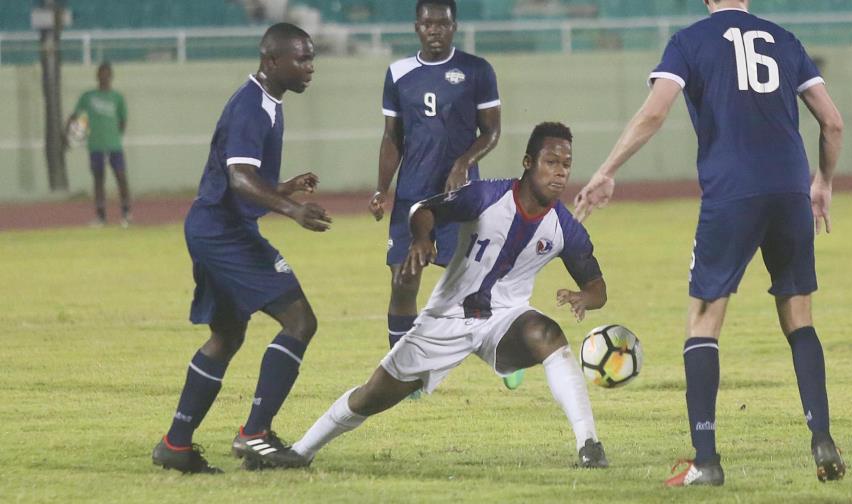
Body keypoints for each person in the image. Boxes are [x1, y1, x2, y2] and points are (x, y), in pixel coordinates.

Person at [573, 0, 845, 487]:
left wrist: (607, 170)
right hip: (789, 189)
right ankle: (821, 435)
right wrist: (822, 181)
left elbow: (655, 113)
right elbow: (833, 122)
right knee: (799, 315)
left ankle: (706, 460)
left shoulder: (689, 41)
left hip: (732, 192)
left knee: (704, 318)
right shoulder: (784, 39)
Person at [254, 122, 611, 469]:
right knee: (373, 395)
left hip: (505, 318)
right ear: (528, 163)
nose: (560, 172)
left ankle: (589, 444)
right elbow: (423, 209)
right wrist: (424, 238)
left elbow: (598, 287)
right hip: (446, 318)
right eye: (551, 162)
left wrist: (584, 297)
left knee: (547, 334)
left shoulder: (565, 228)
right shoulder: (487, 195)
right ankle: (300, 452)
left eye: (566, 164)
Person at [151, 23, 332, 474]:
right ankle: (254, 435)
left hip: (215, 226)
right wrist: (291, 210)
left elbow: (244, 178)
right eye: (302, 59)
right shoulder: (252, 106)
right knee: (299, 320)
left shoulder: (267, 101)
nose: (310, 67)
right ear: (272, 62)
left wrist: (284, 188)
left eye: (311, 58)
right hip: (223, 232)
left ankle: (175, 445)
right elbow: (238, 179)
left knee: (227, 335)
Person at [367, 0, 517, 390]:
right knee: (403, 281)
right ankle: (400, 377)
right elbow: (392, 137)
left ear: (454, 26)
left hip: (460, 198)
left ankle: (508, 353)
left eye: (443, 24)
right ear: (417, 26)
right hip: (412, 197)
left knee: (477, 287)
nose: (435, 30)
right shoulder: (399, 73)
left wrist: (463, 162)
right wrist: (382, 189)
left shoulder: (477, 70)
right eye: (428, 24)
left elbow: (492, 132)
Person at [66, 62, 131, 227]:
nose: (104, 76)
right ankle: (101, 217)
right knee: (98, 180)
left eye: (107, 73)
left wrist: (114, 135)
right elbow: (75, 116)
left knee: (121, 177)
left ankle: (126, 213)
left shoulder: (117, 97)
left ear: (111, 76)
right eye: (101, 73)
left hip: (114, 146)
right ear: (97, 76)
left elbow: (123, 121)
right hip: (95, 146)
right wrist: (71, 134)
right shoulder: (88, 96)